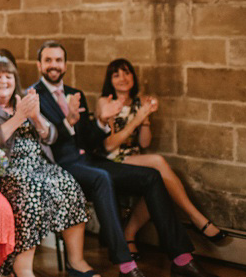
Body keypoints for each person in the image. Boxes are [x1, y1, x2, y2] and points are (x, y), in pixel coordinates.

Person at [32, 41, 215, 277]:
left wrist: (100, 122)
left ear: (65, 64)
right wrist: (70, 121)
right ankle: (126, 264)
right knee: (102, 178)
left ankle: (181, 258)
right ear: (40, 64)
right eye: (48, 60)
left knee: (151, 176)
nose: (54, 65)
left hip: (89, 160)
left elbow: (88, 140)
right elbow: (47, 140)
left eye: (58, 60)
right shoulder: (33, 96)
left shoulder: (74, 93)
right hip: (62, 166)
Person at [0, 55, 92, 277]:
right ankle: (22, 268)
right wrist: (19, 118)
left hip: (39, 164)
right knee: (30, 191)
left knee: (70, 185)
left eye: (8, 76)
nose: (3, 81)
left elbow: (52, 136)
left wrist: (36, 118)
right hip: (7, 169)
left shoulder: (23, 100)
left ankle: (76, 261)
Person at [97, 59, 226, 256]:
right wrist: (138, 119)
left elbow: (145, 143)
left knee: (158, 181)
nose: (122, 78)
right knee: (157, 162)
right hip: (111, 160)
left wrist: (146, 118)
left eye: (126, 73)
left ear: (133, 76)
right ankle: (196, 218)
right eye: (116, 75)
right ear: (110, 80)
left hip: (133, 158)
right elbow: (110, 144)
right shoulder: (106, 102)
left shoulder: (139, 102)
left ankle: (129, 233)